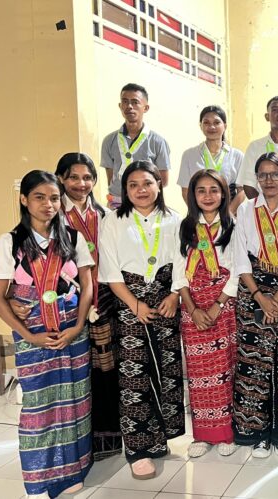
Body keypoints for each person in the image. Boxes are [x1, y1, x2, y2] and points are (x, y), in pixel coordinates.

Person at [0, 170, 94, 498]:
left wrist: (78, 326)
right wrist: (27, 336)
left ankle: (70, 472)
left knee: (75, 400)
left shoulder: (73, 239)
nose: (48, 204)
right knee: (38, 406)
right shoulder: (9, 242)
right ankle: (38, 482)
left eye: (54, 198)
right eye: (39, 197)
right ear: (24, 200)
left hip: (72, 333)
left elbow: (88, 284)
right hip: (34, 335)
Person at [98, 161, 186, 479]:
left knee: (166, 371)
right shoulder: (113, 222)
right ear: (125, 189)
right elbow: (109, 271)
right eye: (133, 185)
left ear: (159, 184)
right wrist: (134, 304)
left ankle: (159, 438)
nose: (141, 190)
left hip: (165, 302)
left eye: (147, 183)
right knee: (134, 376)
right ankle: (137, 448)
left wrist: (175, 295)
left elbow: (182, 262)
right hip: (129, 303)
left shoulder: (174, 219)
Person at [232, 153, 278, 457]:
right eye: (262, 175)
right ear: (256, 179)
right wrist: (261, 297)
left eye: (275, 174)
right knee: (254, 363)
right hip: (252, 291)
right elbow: (240, 257)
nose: (269, 181)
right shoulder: (246, 210)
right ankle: (257, 432)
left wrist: (275, 299)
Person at [56, 153, 123, 460]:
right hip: (68, 302)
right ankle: (77, 444)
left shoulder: (105, 214)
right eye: (73, 177)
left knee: (107, 371)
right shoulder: (53, 214)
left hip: (106, 299)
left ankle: (108, 441)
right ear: (60, 179)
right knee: (78, 371)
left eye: (87, 178)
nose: (81, 184)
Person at [177, 170, 239, 458]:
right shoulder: (185, 228)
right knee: (199, 374)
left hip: (223, 307)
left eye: (214, 190)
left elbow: (238, 270)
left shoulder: (233, 226)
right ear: (193, 195)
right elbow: (179, 272)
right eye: (201, 190)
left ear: (224, 193)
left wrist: (217, 305)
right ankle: (202, 434)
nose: (207, 196)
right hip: (193, 311)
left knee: (224, 370)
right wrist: (192, 308)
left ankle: (225, 433)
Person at [100, 83, 171, 209]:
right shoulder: (109, 140)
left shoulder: (158, 142)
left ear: (146, 107)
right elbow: (111, 178)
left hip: (146, 204)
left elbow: (163, 181)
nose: (129, 106)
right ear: (120, 106)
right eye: (125, 102)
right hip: (117, 204)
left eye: (135, 102)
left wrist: (141, 194)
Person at [177, 105, 245, 214]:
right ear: (201, 126)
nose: (211, 127)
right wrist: (198, 215)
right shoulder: (189, 155)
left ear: (225, 126)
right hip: (199, 216)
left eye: (217, 123)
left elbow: (242, 191)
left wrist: (228, 214)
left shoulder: (237, 155)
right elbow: (185, 190)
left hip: (229, 215)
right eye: (206, 123)